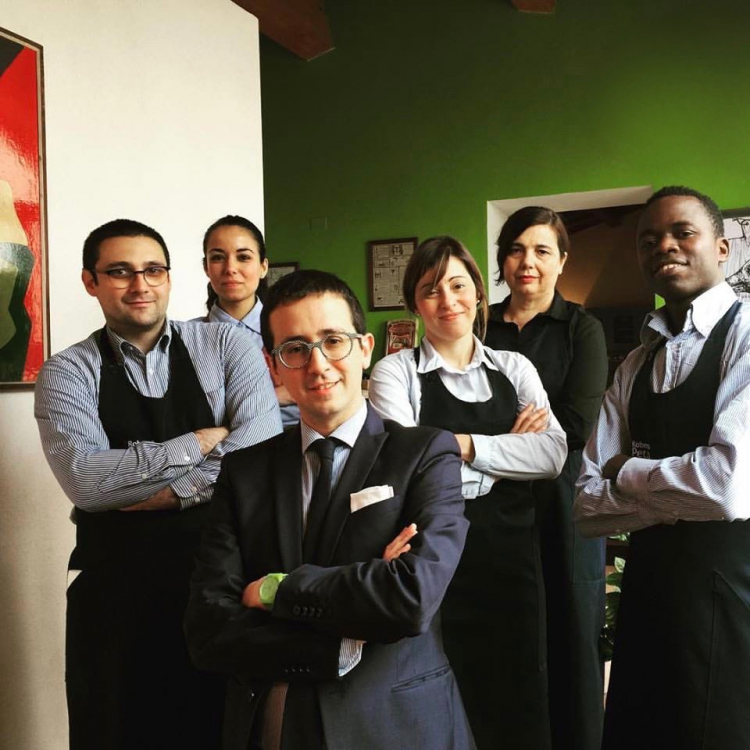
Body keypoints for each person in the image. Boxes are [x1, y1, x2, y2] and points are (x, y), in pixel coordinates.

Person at [184, 270, 474, 750]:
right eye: (295, 349)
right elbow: (208, 629)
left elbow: (411, 597)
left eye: (332, 341)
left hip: (396, 725)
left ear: (364, 348)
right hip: (275, 722)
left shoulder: (425, 454)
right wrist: (338, 637)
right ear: (273, 366)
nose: (317, 364)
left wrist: (277, 589)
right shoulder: (244, 472)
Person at [34, 219, 282, 750]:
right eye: (119, 272)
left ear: (170, 278)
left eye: (152, 270)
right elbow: (87, 482)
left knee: (221, 732)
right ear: (89, 281)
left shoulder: (225, 347)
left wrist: (164, 489)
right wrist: (199, 441)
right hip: (114, 598)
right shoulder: (66, 371)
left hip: (218, 585)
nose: (139, 284)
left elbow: (256, 455)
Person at [369, 236, 567, 749]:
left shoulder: (514, 368)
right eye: (431, 289)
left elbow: (552, 457)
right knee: (440, 690)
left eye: (459, 285)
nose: (448, 299)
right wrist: (505, 457)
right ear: (415, 303)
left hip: (512, 558)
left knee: (518, 688)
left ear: (479, 293)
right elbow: (405, 473)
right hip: (435, 558)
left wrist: (458, 445)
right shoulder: (395, 372)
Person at [575, 186, 750, 750]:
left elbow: (727, 486)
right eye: (648, 240)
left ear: (722, 249)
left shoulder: (745, 336)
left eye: (682, 232)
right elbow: (584, 501)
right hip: (648, 597)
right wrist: (678, 495)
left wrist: (626, 471)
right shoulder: (634, 361)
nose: (663, 247)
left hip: (731, 592)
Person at [485, 206, 608, 750]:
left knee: (569, 636)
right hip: (484, 508)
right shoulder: (476, 323)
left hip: (561, 504)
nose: (527, 262)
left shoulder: (583, 328)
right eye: (515, 250)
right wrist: (521, 433)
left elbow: (576, 425)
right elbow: (451, 418)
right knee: (498, 634)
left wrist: (490, 439)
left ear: (561, 261)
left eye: (540, 251)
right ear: (501, 262)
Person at [200, 215, 299, 426]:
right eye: (217, 257)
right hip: (215, 454)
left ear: (263, 267)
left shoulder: (293, 329)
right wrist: (277, 396)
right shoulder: (185, 337)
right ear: (206, 267)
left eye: (243, 257)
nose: (230, 268)